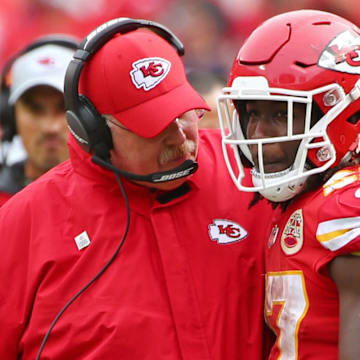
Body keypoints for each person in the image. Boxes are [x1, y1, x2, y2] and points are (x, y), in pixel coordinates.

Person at [0, 18, 274, 359]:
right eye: (154, 126)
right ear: (93, 131)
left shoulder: (254, 171)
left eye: (184, 112)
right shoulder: (21, 225)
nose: (180, 138)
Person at [217, 9, 360, 360]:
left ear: (345, 114)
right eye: (252, 113)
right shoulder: (302, 201)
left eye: (281, 114)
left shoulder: (343, 208)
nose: (258, 136)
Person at [0, 35, 78, 206]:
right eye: (35, 109)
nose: (50, 127)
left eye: (64, 107)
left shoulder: (121, 202)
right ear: (10, 116)